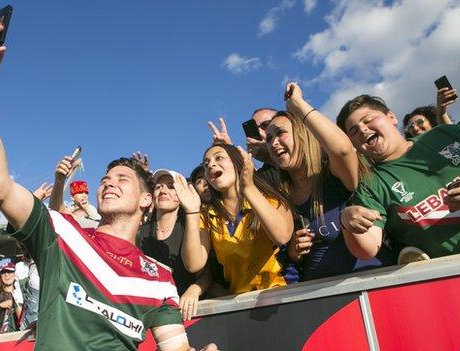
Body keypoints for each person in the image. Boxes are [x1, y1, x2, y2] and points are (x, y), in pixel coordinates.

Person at [0, 18, 215, 351]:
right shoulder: (61, 234)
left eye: (122, 179)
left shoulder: (158, 276)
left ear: (145, 201)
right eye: (105, 179)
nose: (109, 183)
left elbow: (176, 347)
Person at [266, 83, 394, 281]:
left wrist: (298, 105)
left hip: (373, 284)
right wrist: (293, 252)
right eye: (268, 139)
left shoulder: (334, 175)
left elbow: (342, 149)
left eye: (280, 133)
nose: (273, 143)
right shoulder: (280, 194)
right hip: (321, 298)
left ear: (303, 134)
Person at [336, 94, 460, 260]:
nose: (363, 130)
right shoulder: (370, 186)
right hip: (459, 274)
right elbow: (367, 249)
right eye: (353, 131)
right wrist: (346, 220)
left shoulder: (447, 134)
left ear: (391, 117)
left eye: (368, 120)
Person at [178, 142, 294, 294]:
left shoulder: (268, 198)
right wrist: (192, 211)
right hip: (241, 302)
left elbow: (282, 236)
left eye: (218, 158)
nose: (211, 165)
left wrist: (249, 188)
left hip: (284, 293)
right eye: (206, 165)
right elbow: (194, 264)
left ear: (237, 163)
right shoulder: (206, 216)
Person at [137, 169, 212, 321]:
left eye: (171, 186)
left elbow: (206, 275)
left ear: (181, 196)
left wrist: (194, 290)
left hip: (187, 314)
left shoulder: (190, 227)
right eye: (158, 187)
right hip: (150, 314)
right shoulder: (140, 232)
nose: (163, 190)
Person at [50, 155, 101, 229]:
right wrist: (60, 179)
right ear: (72, 197)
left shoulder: (91, 210)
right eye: (80, 193)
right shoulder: (68, 209)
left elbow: (97, 221)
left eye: (86, 193)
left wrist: (87, 208)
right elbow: (56, 208)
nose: (84, 195)